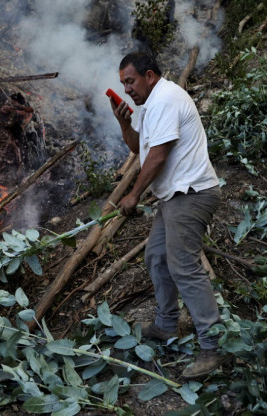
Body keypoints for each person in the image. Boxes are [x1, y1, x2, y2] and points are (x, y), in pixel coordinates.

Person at [110, 51, 226, 378]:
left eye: (130, 81)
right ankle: (166, 325)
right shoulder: (150, 107)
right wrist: (124, 121)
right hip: (173, 196)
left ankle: (212, 347)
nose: (127, 88)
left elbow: (158, 158)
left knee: (184, 266)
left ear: (149, 76)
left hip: (191, 194)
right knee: (157, 257)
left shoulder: (166, 99)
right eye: (122, 84)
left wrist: (133, 194)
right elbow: (139, 149)